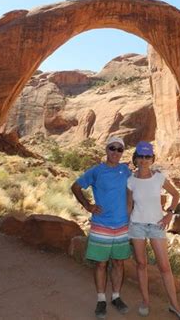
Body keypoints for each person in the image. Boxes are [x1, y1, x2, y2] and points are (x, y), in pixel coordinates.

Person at [127, 141, 180, 319]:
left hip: (157, 225)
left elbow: (176, 195)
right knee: (141, 264)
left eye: (148, 156)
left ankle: (175, 305)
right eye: (141, 156)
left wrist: (170, 213)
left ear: (152, 159)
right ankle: (145, 301)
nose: (144, 160)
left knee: (164, 266)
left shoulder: (159, 178)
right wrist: (124, 225)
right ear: (136, 158)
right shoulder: (130, 181)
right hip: (137, 225)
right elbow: (129, 205)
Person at [71, 136, 132, 319]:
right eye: (112, 148)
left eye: (119, 149)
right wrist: (88, 206)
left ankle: (116, 297)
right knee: (101, 264)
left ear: (122, 153)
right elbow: (75, 187)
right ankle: (101, 300)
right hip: (101, 224)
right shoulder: (97, 171)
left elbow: (134, 191)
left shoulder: (126, 171)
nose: (115, 152)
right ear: (106, 149)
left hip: (122, 225)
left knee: (119, 262)